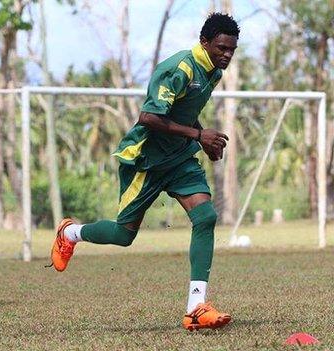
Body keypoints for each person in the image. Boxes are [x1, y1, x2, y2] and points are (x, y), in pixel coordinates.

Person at [50, 13, 239, 331]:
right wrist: (199, 136)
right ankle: (69, 233)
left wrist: (202, 137)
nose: (227, 55)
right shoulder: (179, 68)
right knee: (124, 235)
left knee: (205, 217)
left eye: (232, 49)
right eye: (221, 48)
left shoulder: (212, 72)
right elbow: (149, 118)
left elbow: (186, 112)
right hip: (146, 161)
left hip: (179, 159)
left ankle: (195, 307)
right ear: (204, 42)